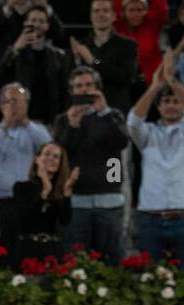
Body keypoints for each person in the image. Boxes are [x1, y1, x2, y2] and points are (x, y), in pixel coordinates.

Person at [128, 55, 184, 266]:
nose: (171, 106)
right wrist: (155, 86)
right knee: (150, 282)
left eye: (176, 102)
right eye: (166, 102)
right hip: (151, 220)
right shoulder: (147, 135)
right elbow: (134, 122)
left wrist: (172, 81)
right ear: (159, 107)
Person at [52, 65, 130, 262]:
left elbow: (121, 141)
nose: (84, 90)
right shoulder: (63, 120)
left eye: (89, 85)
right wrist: (72, 126)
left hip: (110, 199)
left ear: (98, 88)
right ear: (72, 92)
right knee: (76, 263)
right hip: (76, 201)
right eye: (79, 86)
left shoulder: (113, 115)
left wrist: (103, 112)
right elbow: (59, 156)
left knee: (113, 262)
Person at [0, 83, 52, 243]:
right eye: (11, 101)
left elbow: (49, 148)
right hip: (0, 199)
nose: (15, 106)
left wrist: (26, 123)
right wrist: (4, 127)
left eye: (20, 102)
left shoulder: (36, 130)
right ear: (1, 106)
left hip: (31, 200)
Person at [0, 4, 72, 124]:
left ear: (47, 25)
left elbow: (65, 91)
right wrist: (14, 49)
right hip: (21, 121)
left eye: (41, 21)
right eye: (33, 20)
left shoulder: (59, 56)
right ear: (25, 23)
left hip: (50, 120)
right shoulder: (15, 53)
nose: (37, 24)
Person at [69, 0, 141, 114]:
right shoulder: (82, 46)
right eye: (96, 11)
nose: (100, 14)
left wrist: (94, 61)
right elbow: (72, 80)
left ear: (114, 16)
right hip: (85, 113)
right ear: (91, 16)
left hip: (115, 112)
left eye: (105, 11)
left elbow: (125, 77)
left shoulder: (128, 45)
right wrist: (77, 59)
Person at [9, 140, 77, 261]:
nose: (51, 158)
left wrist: (66, 195)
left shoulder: (60, 191)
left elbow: (64, 222)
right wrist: (44, 192)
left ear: (60, 164)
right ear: (37, 159)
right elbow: (24, 221)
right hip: (28, 250)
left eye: (56, 157)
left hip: (52, 251)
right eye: (47, 154)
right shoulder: (21, 187)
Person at [115, 0, 169, 83]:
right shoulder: (118, 26)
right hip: (123, 84)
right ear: (123, 12)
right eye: (131, 10)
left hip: (151, 84)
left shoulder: (151, 25)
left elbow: (161, 9)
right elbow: (114, 6)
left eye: (139, 10)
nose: (136, 14)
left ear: (146, 11)